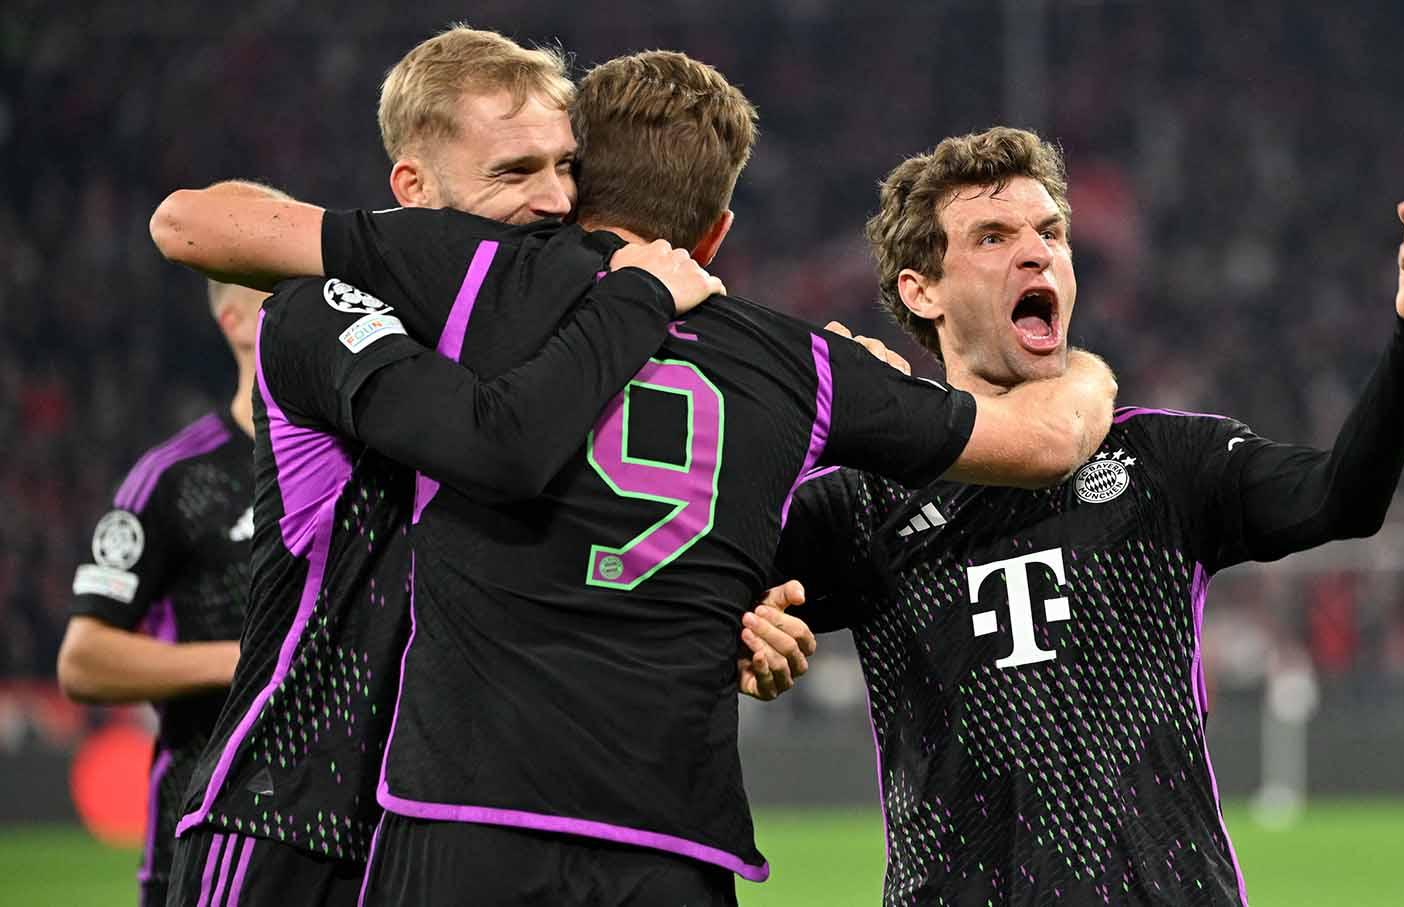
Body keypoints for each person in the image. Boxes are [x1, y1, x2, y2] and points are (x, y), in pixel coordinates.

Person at [154, 51, 1118, 905]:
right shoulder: (348, 306)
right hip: (299, 805)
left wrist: (724, 600)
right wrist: (643, 296)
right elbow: (497, 448)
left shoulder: (501, 290)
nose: (549, 201)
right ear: (412, 193)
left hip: (442, 810)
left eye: (565, 169)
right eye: (516, 171)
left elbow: (595, 513)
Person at [774, 126, 1404, 905]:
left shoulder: (1164, 461)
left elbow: (1344, 496)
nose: (1037, 252)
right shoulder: (865, 501)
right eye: (993, 236)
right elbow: (690, 577)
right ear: (922, 290)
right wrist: (752, 615)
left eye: (1051, 232)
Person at [56, 279, 266, 907]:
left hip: (348, 831)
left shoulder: (363, 462)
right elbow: (83, 659)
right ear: (235, 322)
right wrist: (239, 660)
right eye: (279, 294)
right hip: (203, 830)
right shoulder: (175, 478)